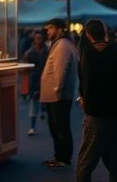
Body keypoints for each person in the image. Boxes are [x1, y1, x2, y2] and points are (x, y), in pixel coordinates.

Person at [76, 19, 117, 182]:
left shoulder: (88, 53)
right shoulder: (114, 50)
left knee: (85, 163)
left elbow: (86, 84)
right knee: (113, 159)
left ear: (88, 34)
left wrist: (84, 101)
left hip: (96, 114)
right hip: (114, 112)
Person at [40, 18, 78, 168]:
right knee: (57, 127)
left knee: (60, 128)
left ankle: (63, 158)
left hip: (58, 97)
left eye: (50, 28)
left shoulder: (62, 46)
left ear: (60, 29)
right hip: (56, 96)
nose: (47, 31)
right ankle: (59, 156)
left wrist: (56, 91)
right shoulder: (61, 44)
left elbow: (60, 72)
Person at [22, 31, 49, 135]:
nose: (39, 41)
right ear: (34, 40)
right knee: (33, 104)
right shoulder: (30, 52)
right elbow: (24, 67)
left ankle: (43, 110)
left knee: (45, 100)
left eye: (40, 38)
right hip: (34, 81)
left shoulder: (48, 51)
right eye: (37, 38)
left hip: (46, 80)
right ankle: (32, 127)